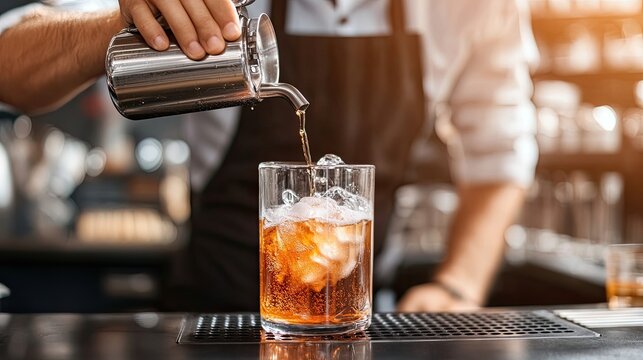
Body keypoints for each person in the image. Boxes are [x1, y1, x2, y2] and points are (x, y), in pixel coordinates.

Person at [0, 0, 539, 312]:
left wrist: (458, 285)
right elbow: (10, 61)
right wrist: (129, 21)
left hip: (361, 317)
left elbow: (501, 148)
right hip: (214, 308)